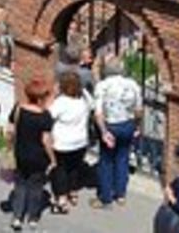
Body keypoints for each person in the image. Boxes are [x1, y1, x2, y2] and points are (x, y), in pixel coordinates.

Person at [93, 55, 143, 210]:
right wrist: (137, 126)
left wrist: (103, 131)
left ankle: (105, 198)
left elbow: (98, 113)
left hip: (111, 125)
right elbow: (139, 110)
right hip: (127, 124)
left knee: (106, 161)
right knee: (123, 158)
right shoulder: (133, 85)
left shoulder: (102, 86)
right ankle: (120, 194)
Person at [9, 77, 56, 231]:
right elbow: (46, 141)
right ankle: (33, 218)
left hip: (20, 153)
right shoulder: (45, 116)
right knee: (36, 188)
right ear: (41, 98)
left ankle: (17, 217)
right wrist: (53, 159)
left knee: (20, 185)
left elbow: (11, 130)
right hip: (38, 158)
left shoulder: (18, 109)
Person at [48, 69, 92, 214]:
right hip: (80, 142)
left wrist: (53, 96)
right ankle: (73, 191)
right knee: (74, 168)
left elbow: (48, 116)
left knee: (60, 170)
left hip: (62, 143)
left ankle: (61, 198)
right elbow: (92, 104)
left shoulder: (61, 102)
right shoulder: (83, 100)